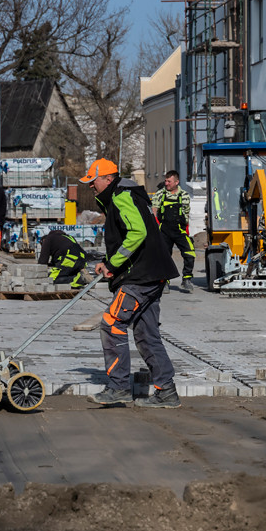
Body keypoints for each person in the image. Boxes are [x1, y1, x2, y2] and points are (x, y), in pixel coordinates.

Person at [81, 158, 181, 409]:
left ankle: (118, 388)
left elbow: (137, 232)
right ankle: (166, 391)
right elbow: (127, 236)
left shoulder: (121, 196)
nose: (91, 187)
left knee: (112, 324)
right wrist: (109, 262)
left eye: (93, 181)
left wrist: (113, 264)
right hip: (152, 273)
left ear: (107, 178)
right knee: (146, 334)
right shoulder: (127, 195)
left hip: (141, 276)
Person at [151, 170, 196, 292]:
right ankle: (164, 282)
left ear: (176, 182)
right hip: (164, 231)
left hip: (179, 231)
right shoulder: (160, 194)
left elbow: (186, 213)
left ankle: (186, 279)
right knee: (164, 256)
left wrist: (186, 229)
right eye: (165, 181)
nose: (166, 183)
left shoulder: (185, 195)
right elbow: (154, 211)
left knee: (190, 253)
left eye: (169, 181)